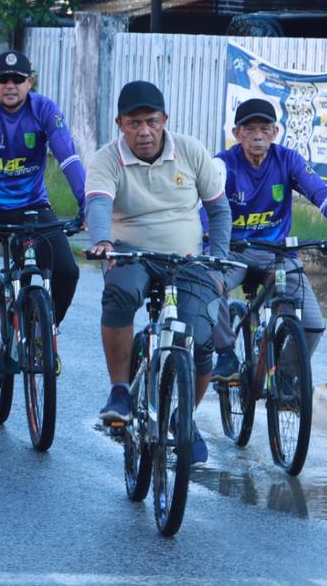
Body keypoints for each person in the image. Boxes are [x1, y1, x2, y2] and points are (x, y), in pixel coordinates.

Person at [85, 80, 231, 465]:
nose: (144, 131)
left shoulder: (191, 151)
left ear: (165, 120)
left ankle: (184, 418)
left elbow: (219, 211)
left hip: (188, 258)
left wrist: (217, 258)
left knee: (201, 340)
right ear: (120, 124)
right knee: (119, 292)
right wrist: (103, 240)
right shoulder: (105, 159)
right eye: (134, 123)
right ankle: (119, 389)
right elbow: (98, 204)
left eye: (151, 121)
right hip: (132, 251)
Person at [0, 50, 86, 379]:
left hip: (31, 206)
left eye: (18, 79)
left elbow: (67, 157)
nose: (10, 85)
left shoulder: (44, 109)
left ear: (31, 81)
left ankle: (43, 335)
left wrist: (88, 202)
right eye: (3, 79)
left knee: (67, 270)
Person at [210, 98, 327, 379]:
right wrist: (206, 237)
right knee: (210, 287)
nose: (258, 135)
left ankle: (285, 379)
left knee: (314, 324)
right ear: (237, 134)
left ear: (275, 133)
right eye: (250, 129)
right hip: (233, 253)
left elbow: (321, 193)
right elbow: (205, 205)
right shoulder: (222, 164)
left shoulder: (288, 160)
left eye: (265, 129)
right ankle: (226, 353)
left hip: (277, 255)